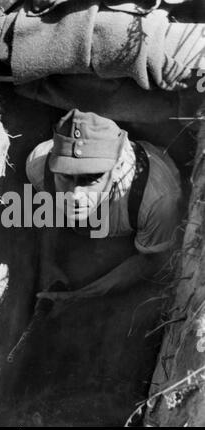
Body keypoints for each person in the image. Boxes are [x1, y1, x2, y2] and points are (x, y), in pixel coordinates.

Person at [26, 109, 182, 315]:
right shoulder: (38, 165)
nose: (75, 195)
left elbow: (152, 260)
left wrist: (80, 296)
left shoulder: (158, 200)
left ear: (117, 169)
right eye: (65, 177)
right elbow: (48, 210)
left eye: (90, 179)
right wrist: (48, 263)